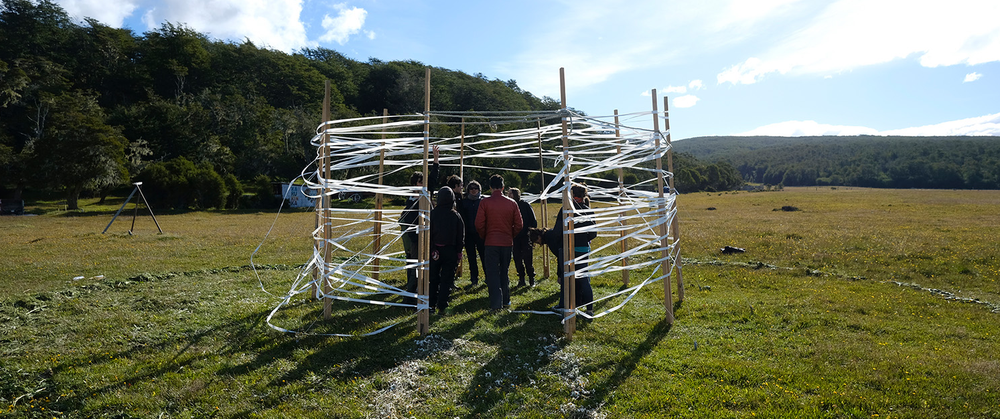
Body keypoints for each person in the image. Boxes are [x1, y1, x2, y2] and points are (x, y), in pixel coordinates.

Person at [534, 183, 596, 314]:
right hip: (583, 249)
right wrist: (583, 240)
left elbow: (557, 231)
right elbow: (593, 233)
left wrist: (561, 242)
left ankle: (565, 306)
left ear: (571, 195)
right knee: (584, 279)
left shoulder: (566, 209)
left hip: (568, 249)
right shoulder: (588, 210)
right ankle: (589, 309)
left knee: (566, 278)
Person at [475, 174, 523, 311]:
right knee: (504, 271)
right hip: (507, 242)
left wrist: (485, 235)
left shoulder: (484, 203)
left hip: (491, 242)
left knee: (492, 273)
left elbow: (479, 224)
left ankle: (496, 303)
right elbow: (519, 224)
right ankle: (506, 300)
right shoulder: (512, 203)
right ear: (503, 187)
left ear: (490, 187)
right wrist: (510, 234)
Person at [399, 146, 439, 304]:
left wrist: (435, 160)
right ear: (416, 183)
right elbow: (406, 220)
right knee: (413, 265)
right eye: (422, 182)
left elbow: (434, 178)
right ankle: (410, 296)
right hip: (414, 237)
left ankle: (420, 290)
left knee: (423, 265)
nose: (425, 184)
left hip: (426, 236)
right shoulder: (411, 199)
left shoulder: (423, 195)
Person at [428, 186, 464, 315]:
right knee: (446, 279)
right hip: (450, 251)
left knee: (433, 278)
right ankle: (442, 305)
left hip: (435, 251)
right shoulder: (455, 215)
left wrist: (432, 249)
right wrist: (459, 252)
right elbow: (460, 236)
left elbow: (428, 233)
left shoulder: (432, 214)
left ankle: (431, 304)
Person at [507, 187, 537, 287]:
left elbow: (533, 220)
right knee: (517, 258)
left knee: (528, 258)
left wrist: (530, 233)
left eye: (511, 194)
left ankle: (531, 279)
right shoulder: (509, 206)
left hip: (525, 236)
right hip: (514, 237)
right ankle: (521, 279)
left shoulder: (525, 205)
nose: (509, 196)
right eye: (508, 194)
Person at [459, 180, 486, 288]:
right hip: (468, 234)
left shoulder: (483, 201)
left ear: (479, 190)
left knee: (484, 256)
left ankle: (488, 277)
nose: (474, 190)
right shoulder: (464, 202)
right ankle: (474, 278)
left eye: (476, 188)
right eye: (471, 188)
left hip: (481, 234)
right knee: (471, 257)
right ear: (468, 190)